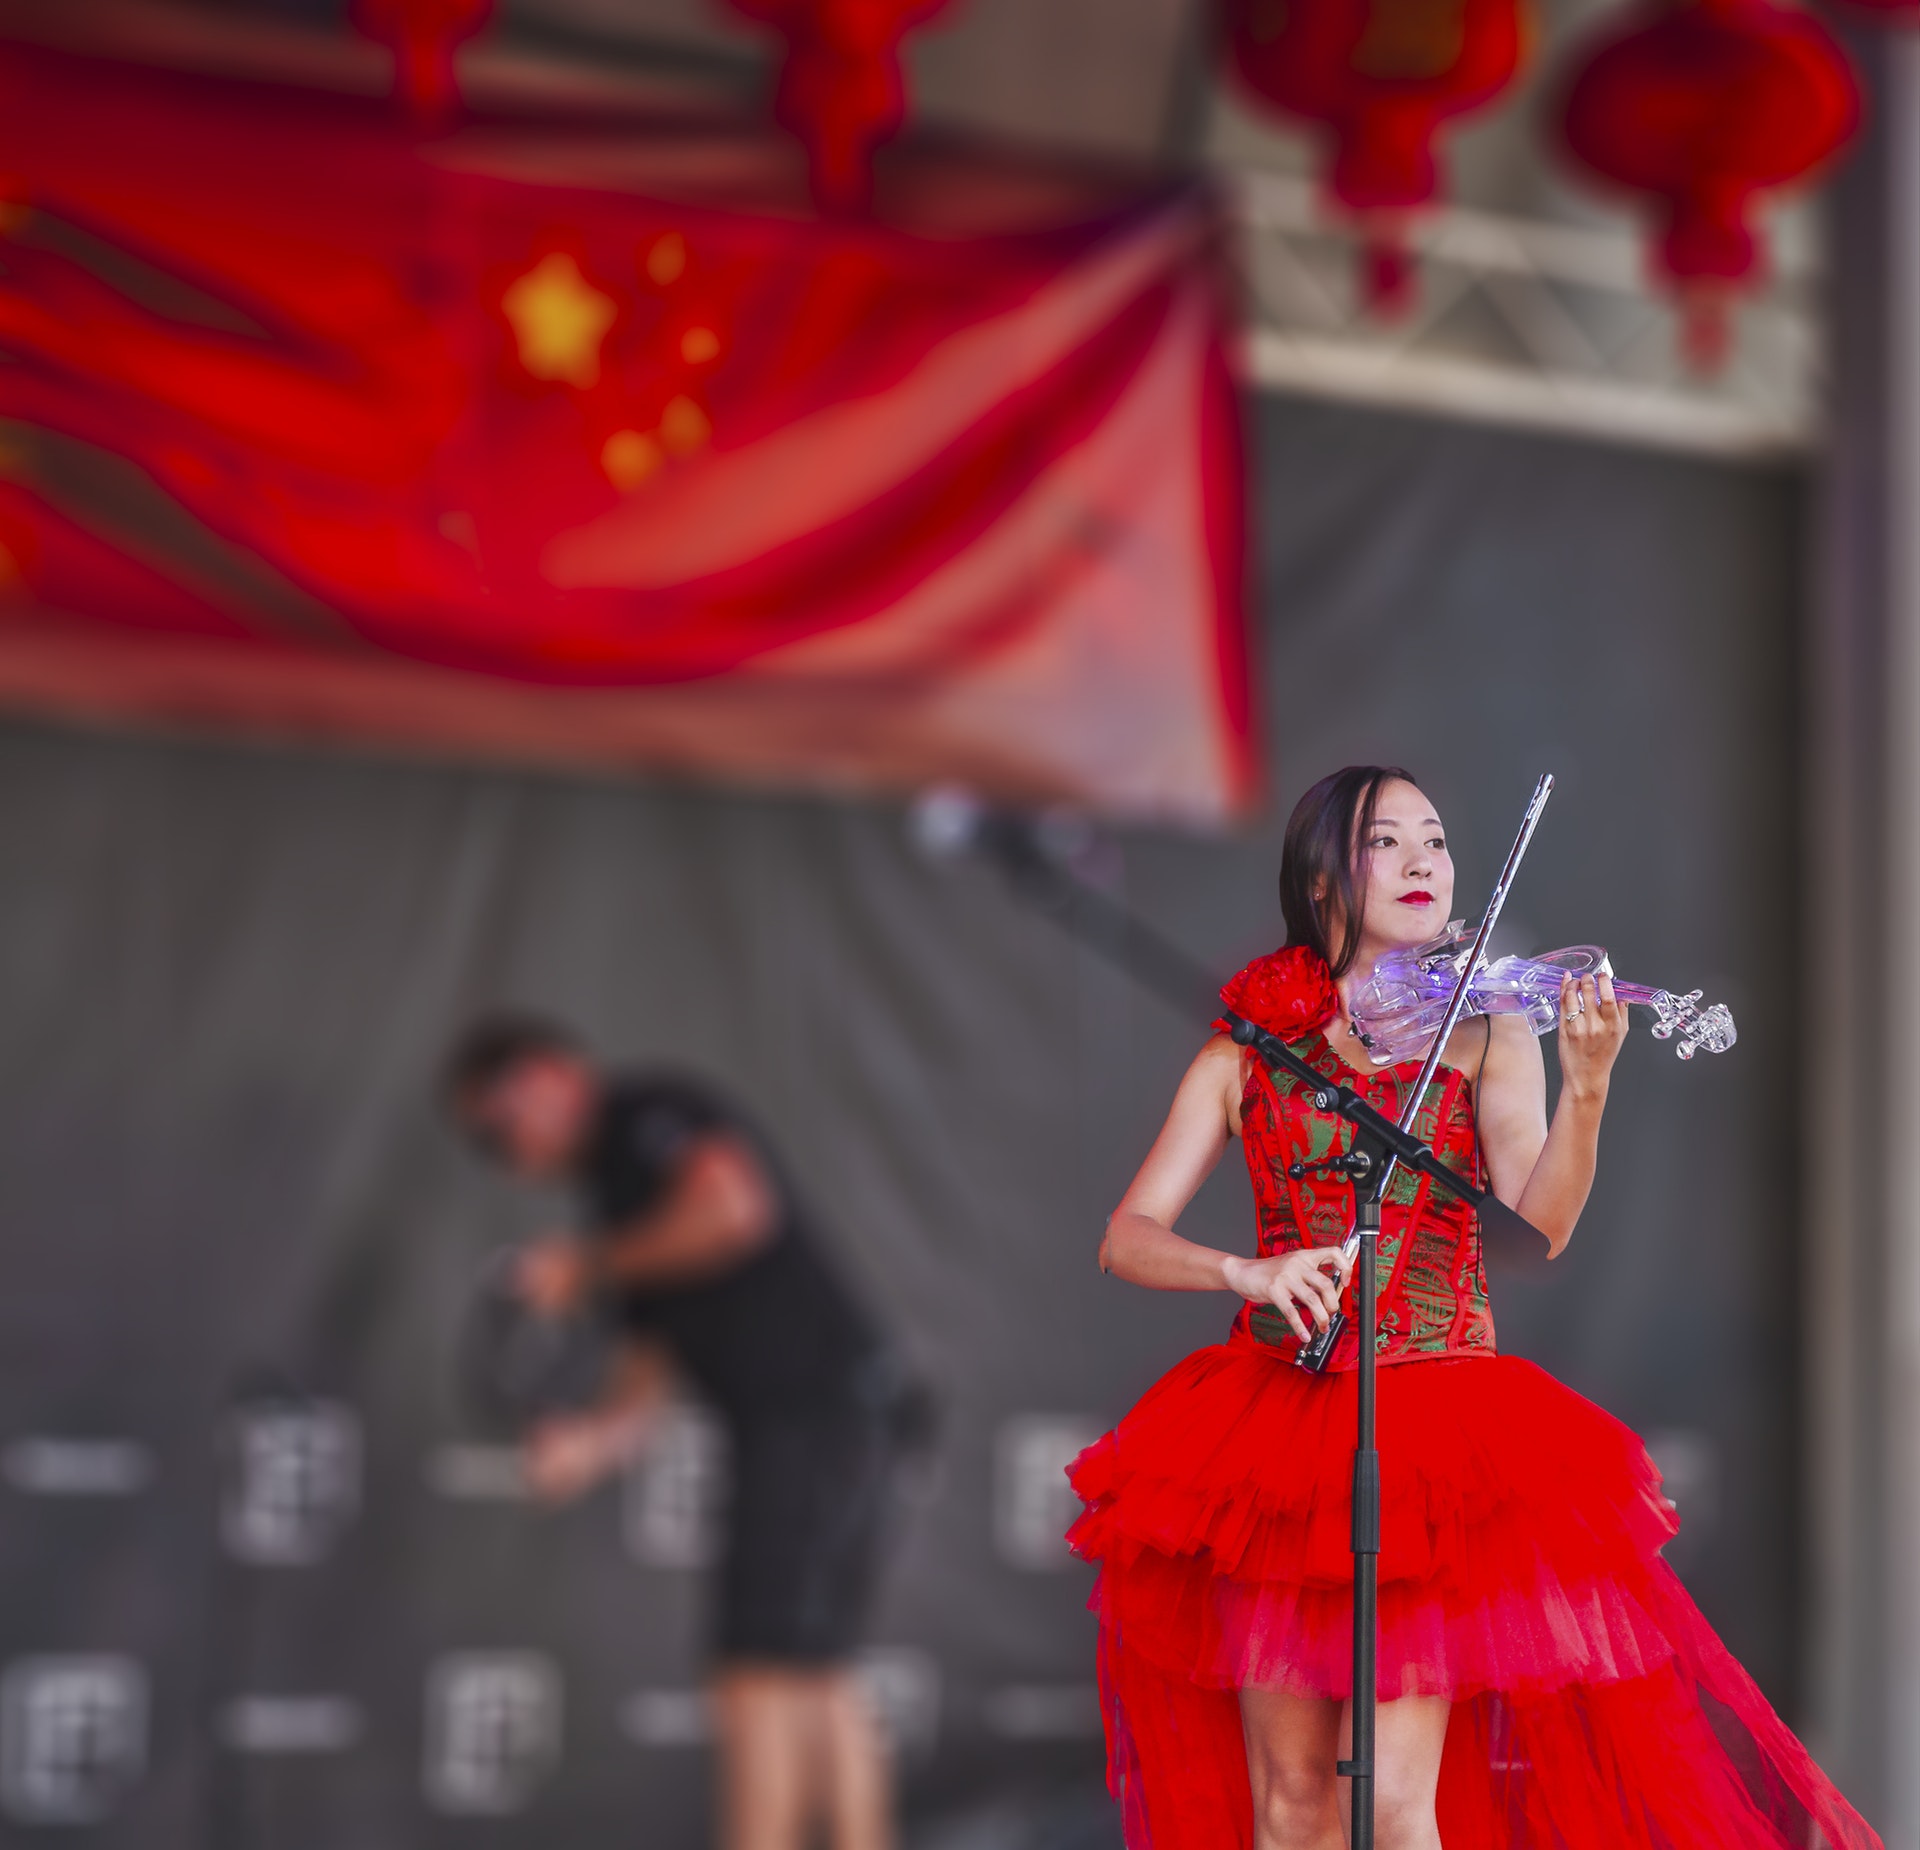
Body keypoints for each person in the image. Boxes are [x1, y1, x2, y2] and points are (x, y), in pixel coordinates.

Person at [1069, 767, 1879, 1850]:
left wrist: (1587, 1090)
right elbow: (1127, 1235)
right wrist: (1244, 1273)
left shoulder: (1491, 1031)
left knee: (1393, 1804)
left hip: (1431, 1430)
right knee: (1292, 1803)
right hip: (1277, 1437)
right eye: (1384, 840)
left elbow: (1539, 1229)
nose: (1422, 861)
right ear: (1322, 878)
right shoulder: (1246, 1052)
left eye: (1437, 840)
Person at [443, 1017, 910, 1850]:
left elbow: (733, 1208)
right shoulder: (613, 1206)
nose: (507, 1152)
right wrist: (586, 1446)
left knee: (759, 1672)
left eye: (501, 1124)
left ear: (549, 1075)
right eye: (487, 1143)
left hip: (818, 1412)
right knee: (812, 1668)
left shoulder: (645, 1115)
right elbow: (646, 1374)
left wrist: (582, 1265)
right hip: (802, 1423)